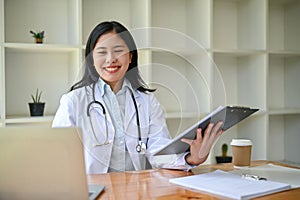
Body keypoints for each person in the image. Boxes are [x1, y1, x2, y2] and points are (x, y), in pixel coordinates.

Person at [52, 21, 224, 174]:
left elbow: (159, 151)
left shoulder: (146, 101)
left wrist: (190, 159)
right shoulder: (73, 102)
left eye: (118, 51)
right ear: (91, 59)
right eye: (102, 52)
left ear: (130, 56)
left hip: (136, 189)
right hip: (92, 190)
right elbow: (58, 158)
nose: (110, 59)